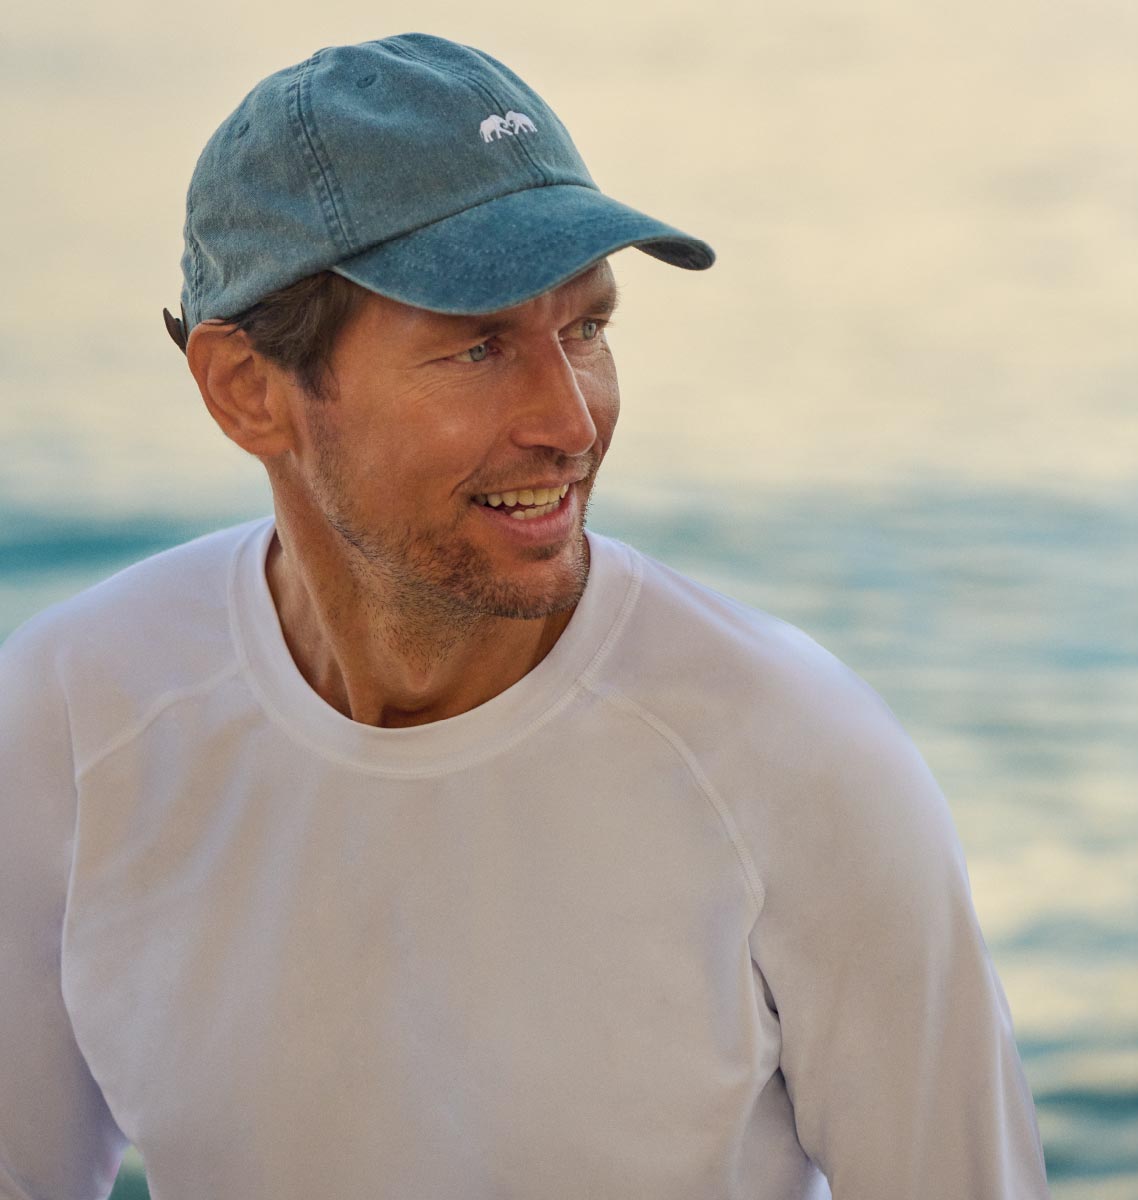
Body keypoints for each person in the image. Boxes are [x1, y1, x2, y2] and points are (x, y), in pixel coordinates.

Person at [0, 32, 1050, 1200]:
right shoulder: (68, 723)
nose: (571, 418)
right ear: (248, 391)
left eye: (587, 330)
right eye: (477, 346)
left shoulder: (793, 754)